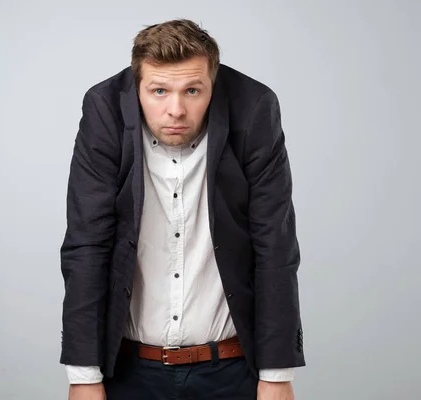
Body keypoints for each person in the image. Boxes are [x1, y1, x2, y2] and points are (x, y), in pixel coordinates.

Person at [59, 19, 305, 400]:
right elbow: (87, 245)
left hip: (231, 370)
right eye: (159, 91)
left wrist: (276, 375)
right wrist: (83, 377)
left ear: (213, 84)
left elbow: (275, 244)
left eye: (193, 90)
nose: (176, 109)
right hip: (127, 370)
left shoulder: (254, 107)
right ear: (136, 87)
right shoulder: (105, 110)